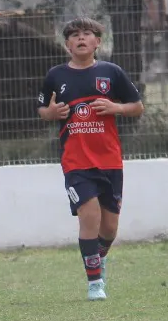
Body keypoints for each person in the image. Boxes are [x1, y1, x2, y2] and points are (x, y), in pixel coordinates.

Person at [37, 17, 143, 301]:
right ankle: (95, 283)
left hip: (109, 160)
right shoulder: (55, 75)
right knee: (89, 216)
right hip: (76, 161)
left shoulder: (112, 72)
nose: (81, 38)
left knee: (109, 228)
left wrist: (115, 107)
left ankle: (98, 258)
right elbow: (42, 109)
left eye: (87, 34)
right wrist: (52, 113)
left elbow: (137, 107)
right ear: (67, 45)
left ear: (97, 42)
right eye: (74, 35)